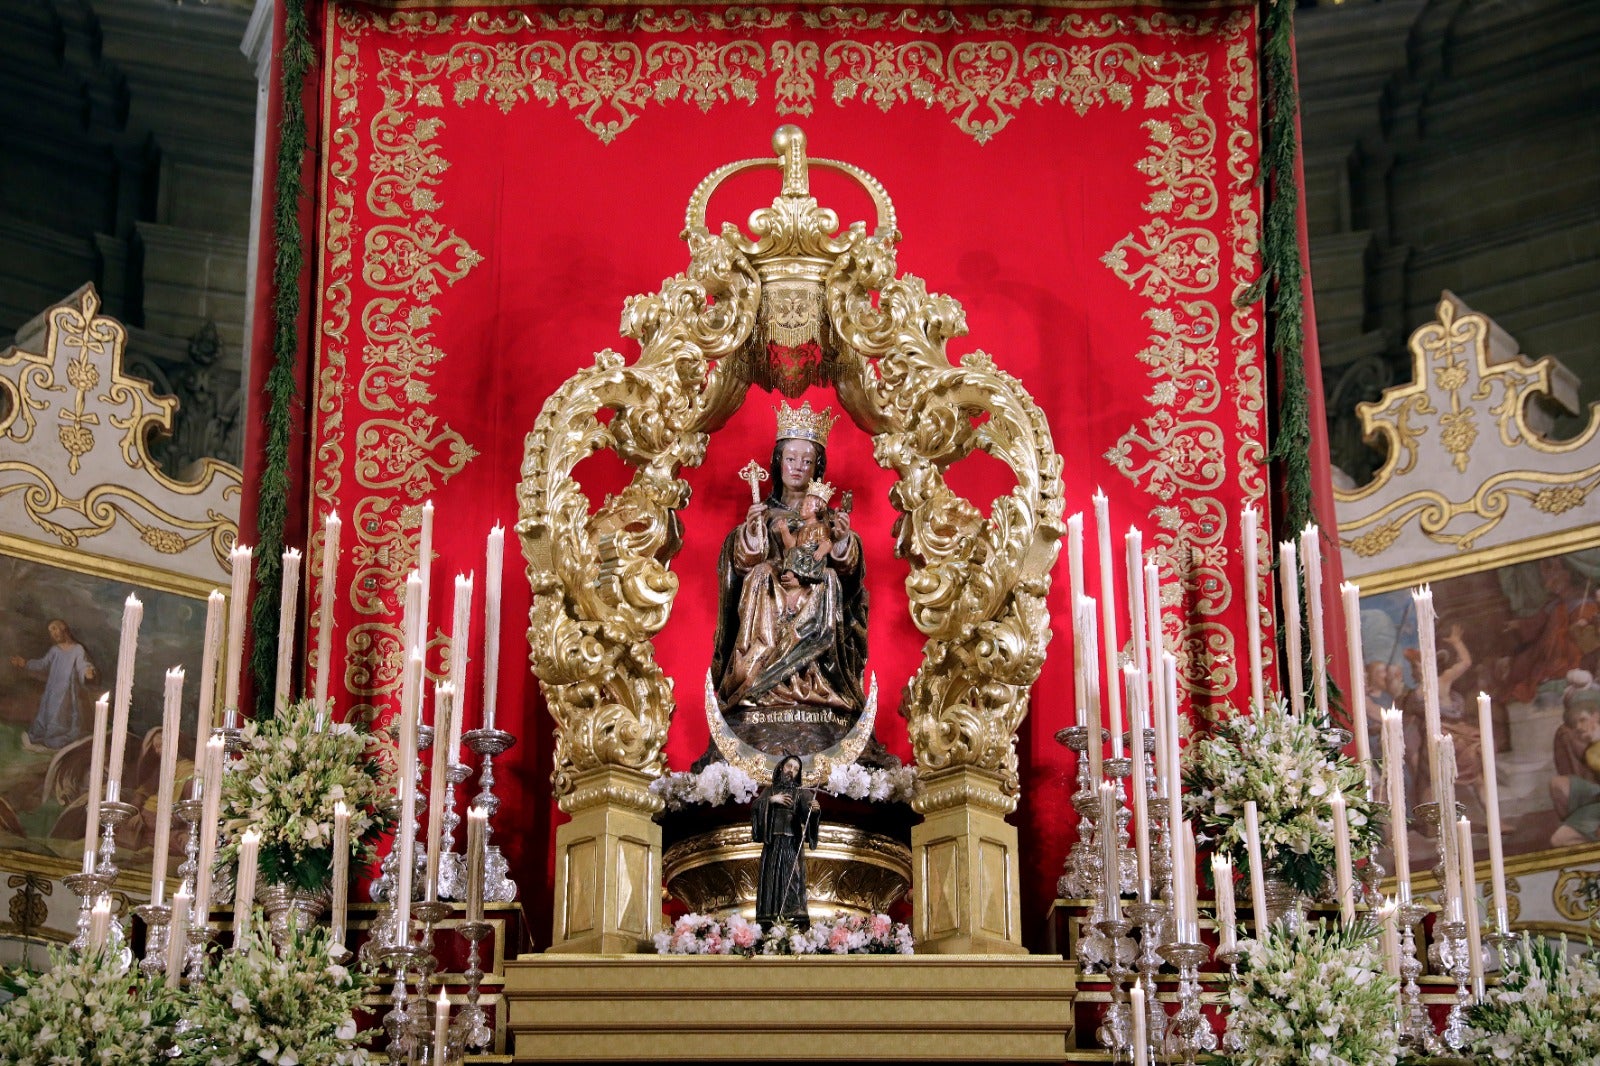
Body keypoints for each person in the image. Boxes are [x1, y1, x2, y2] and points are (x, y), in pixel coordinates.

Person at [710, 401, 870, 757]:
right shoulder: (765, 514)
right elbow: (740, 561)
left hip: (814, 593)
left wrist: (842, 541)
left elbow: (848, 568)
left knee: (828, 579)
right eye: (791, 458)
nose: (798, 467)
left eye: (807, 461)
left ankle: (818, 683)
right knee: (761, 574)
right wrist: (751, 531)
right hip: (770, 594)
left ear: (817, 469)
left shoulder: (828, 519)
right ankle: (757, 681)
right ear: (778, 463)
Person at [752, 754, 819, 926]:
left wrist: (815, 810)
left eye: (796, 769)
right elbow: (756, 807)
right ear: (782, 767)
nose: (792, 771)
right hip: (773, 843)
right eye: (790, 766)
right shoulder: (770, 790)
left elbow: (808, 813)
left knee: (792, 878)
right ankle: (768, 916)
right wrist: (772, 800)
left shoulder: (801, 792)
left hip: (791, 843)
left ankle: (792, 918)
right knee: (771, 878)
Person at [11, 619, 96, 752]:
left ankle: (57, 741)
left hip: (67, 692)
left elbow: (82, 665)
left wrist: (87, 672)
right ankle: (44, 738)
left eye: (55, 629)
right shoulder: (54, 650)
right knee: (48, 713)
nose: (53, 633)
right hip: (52, 690)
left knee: (62, 717)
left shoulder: (78, 649)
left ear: (64, 629)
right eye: (51, 631)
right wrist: (25, 663)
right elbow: (42, 664)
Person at [774, 480, 835, 617]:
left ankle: (797, 578)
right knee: (793, 551)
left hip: (812, 559)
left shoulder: (820, 527)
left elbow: (827, 543)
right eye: (803, 504)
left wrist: (821, 551)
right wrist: (784, 530)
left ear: (817, 510)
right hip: (800, 558)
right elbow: (790, 545)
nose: (803, 506)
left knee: (796, 552)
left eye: (808, 505)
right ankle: (792, 574)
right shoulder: (800, 529)